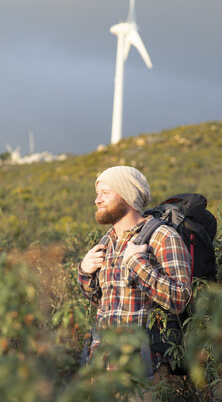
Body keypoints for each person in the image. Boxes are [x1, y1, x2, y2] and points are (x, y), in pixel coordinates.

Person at [78, 166, 192, 395]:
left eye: (106, 193)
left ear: (127, 196)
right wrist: (84, 272)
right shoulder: (107, 242)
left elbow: (180, 298)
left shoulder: (163, 237)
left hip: (144, 373)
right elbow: (104, 303)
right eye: (97, 193)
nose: (97, 200)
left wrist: (138, 264)